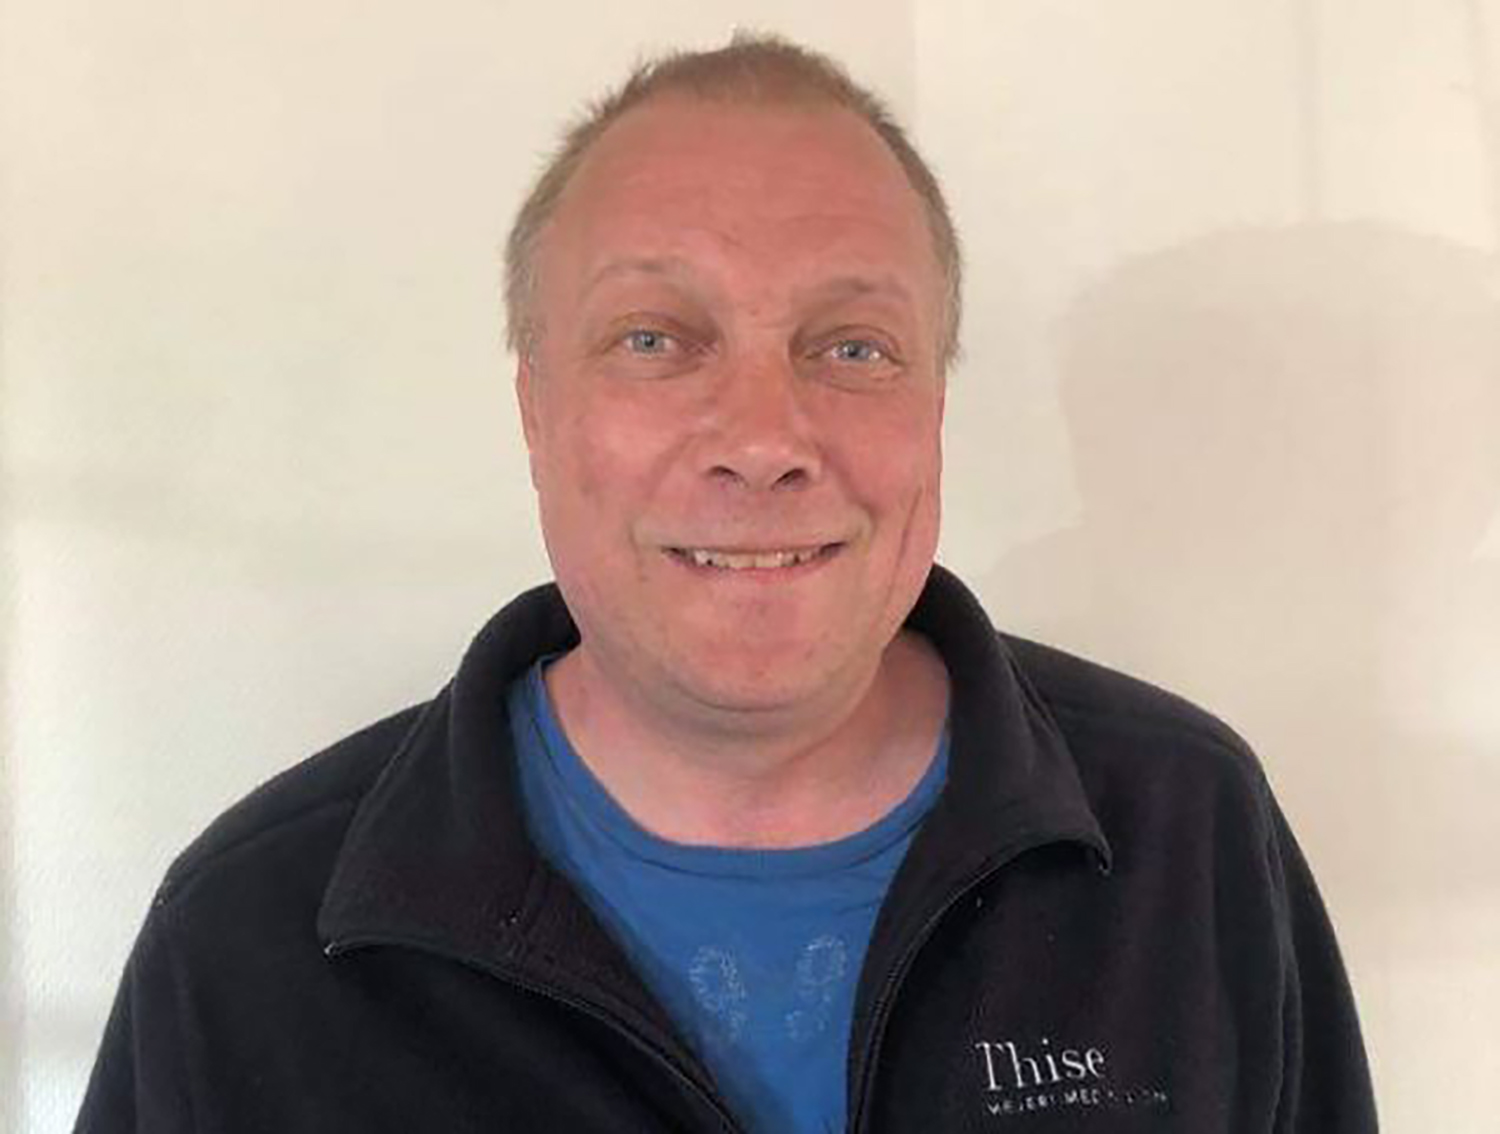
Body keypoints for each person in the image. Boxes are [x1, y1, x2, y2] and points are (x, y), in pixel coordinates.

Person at [75, 33, 1378, 1134]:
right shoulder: (248, 940)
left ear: (933, 408)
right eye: (656, 338)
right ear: (538, 412)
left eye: (853, 346)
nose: (763, 439)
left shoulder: (1191, 834)